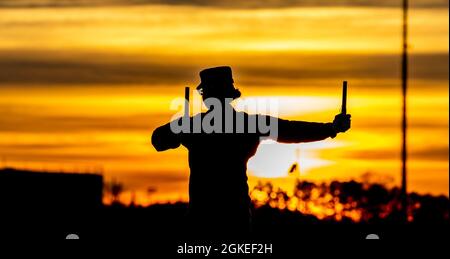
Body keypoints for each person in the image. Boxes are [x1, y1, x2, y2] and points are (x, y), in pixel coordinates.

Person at [151, 66, 351, 236]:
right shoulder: (249, 124)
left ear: (206, 97)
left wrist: (176, 128)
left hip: (203, 217)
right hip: (234, 217)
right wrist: (331, 128)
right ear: (230, 95)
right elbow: (292, 130)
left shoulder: (194, 126)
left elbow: (158, 141)